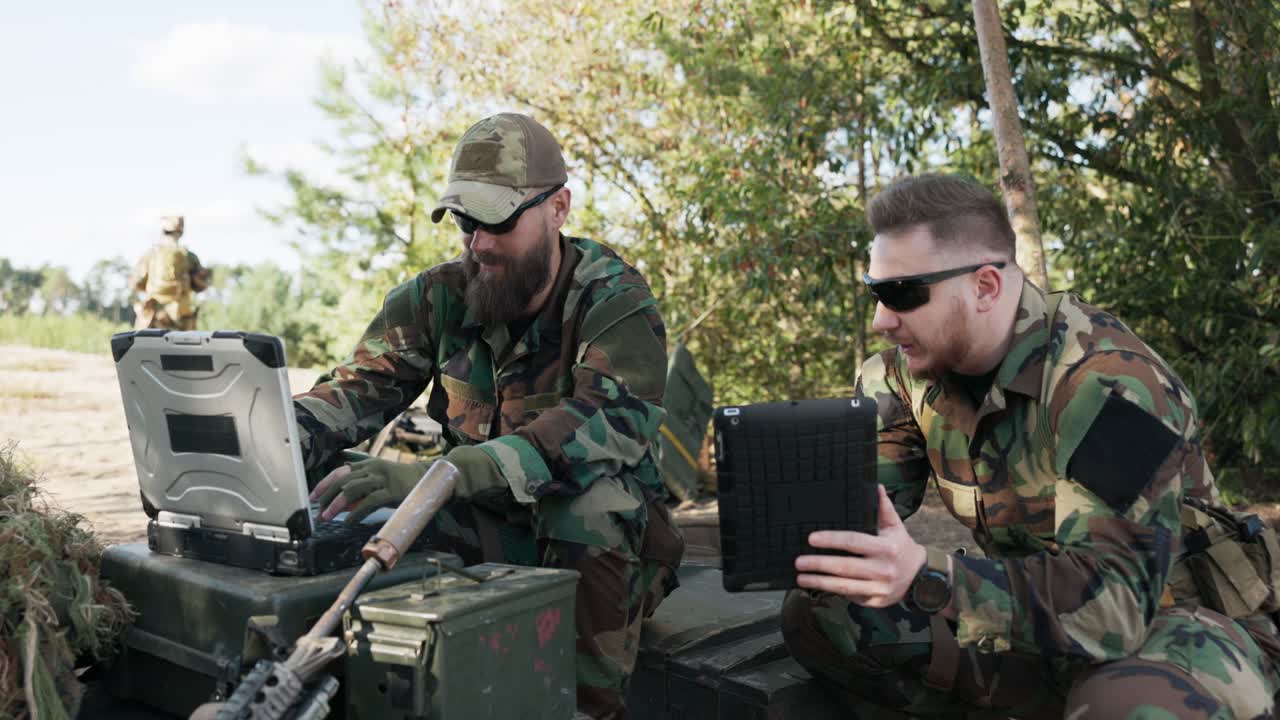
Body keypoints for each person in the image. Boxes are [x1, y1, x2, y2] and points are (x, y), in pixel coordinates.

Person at [780, 173, 1280, 719]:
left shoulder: (1111, 386)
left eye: (902, 294)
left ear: (986, 286)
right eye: (875, 292)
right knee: (824, 614)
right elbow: (863, 516)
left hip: (1170, 628)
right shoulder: (902, 376)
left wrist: (930, 576)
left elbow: (1113, 610)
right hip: (1028, 620)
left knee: (1128, 706)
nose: (881, 319)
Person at [294, 113, 684, 720]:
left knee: (591, 506)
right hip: (488, 530)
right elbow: (356, 390)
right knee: (341, 504)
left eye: (497, 221)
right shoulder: (435, 297)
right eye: (465, 221)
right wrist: (269, 440)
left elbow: (606, 421)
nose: (477, 244)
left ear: (558, 208)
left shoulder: (612, 299)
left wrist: (453, 472)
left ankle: (586, 709)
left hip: (606, 553)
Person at [130, 215, 209, 330]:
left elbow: (136, 283)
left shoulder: (150, 255)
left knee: (144, 346)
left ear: (163, 231)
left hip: (154, 318)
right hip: (181, 319)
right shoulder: (189, 257)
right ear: (181, 232)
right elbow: (201, 285)